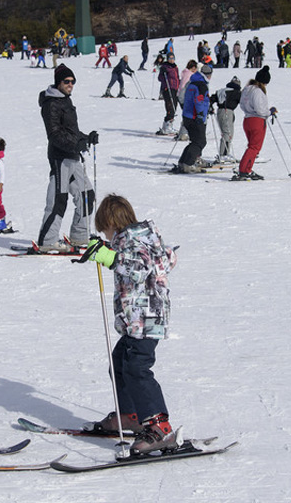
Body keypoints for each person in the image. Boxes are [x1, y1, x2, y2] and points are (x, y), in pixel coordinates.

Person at [78, 194, 178, 455]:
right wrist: (109, 252)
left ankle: (160, 427)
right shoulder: (142, 238)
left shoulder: (130, 240)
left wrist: (110, 258)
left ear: (112, 223)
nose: (108, 237)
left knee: (137, 369)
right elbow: (162, 259)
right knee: (120, 363)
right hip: (140, 320)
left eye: (106, 231)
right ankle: (130, 415)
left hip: (144, 320)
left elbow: (139, 268)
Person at [36, 65, 96, 252]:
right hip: (60, 158)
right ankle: (47, 241)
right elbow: (54, 134)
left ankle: (79, 236)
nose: (70, 85)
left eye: (73, 82)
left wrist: (86, 138)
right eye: (66, 81)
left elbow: (71, 132)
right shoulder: (51, 104)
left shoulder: (65, 100)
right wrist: (75, 145)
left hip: (73, 156)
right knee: (58, 199)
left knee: (87, 195)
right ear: (58, 82)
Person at [233, 66, 273, 181]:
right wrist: (269, 112)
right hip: (257, 121)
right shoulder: (258, 91)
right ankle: (244, 170)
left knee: (251, 146)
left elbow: (242, 104)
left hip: (247, 119)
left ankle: (247, 169)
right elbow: (260, 109)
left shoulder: (247, 89)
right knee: (254, 147)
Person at [172, 62, 211, 173]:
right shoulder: (201, 85)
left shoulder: (192, 82)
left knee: (194, 141)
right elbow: (199, 101)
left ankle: (183, 162)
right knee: (200, 142)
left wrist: (208, 106)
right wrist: (200, 114)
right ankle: (188, 164)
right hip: (195, 117)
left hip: (187, 115)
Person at [213, 76, 242, 161]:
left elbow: (212, 98)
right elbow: (244, 102)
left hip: (220, 111)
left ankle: (224, 153)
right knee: (228, 133)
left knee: (226, 132)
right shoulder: (236, 92)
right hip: (227, 111)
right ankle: (223, 155)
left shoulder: (221, 90)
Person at [156, 54, 180, 135]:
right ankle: (167, 126)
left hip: (175, 88)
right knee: (170, 107)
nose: (172, 60)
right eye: (170, 58)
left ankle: (168, 125)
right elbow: (160, 78)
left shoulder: (175, 67)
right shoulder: (165, 67)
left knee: (174, 106)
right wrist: (163, 73)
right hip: (168, 89)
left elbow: (177, 77)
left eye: (173, 58)